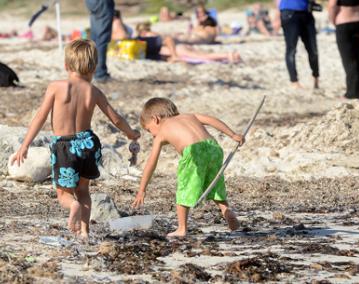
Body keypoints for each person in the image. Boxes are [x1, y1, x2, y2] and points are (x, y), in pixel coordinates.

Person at [11, 39, 140, 240]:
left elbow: (40, 117)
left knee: (65, 194)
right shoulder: (94, 92)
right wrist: (131, 134)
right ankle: (85, 231)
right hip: (88, 143)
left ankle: (73, 206)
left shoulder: (56, 87)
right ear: (94, 67)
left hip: (64, 146)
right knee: (83, 190)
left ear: (66, 65)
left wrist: (25, 144)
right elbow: (115, 118)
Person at [132, 98, 243, 238]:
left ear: (155, 119)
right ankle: (227, 211)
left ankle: (182, 228)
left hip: (193, 151)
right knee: (214, 182)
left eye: (149, 130)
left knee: (184, 188)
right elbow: (212, 120)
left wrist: (142, 189)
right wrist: (232, 135)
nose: (152, 134)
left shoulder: (161, 133)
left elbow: (151, 163)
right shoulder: (189, 116)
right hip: (213, 147)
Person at [135, 22, 241, 63]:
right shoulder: (154, 34)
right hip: (180, 47)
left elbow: (168, 39)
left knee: (203, 57)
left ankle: (229, 55)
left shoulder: (148, 36)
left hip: (177, 49)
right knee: (202, 56)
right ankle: (227, 56)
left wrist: (174, 56)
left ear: (142, 32)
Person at [328, 0, 359, 99]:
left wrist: (333, 20)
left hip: (344, 21)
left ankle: (352, 93)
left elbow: (332, 5)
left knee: (349, 60)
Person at [279, 0, 320, 89]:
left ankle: (315, 77)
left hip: (305, 12)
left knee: (313, 50)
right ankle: (294, 81)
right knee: (291, 49)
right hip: (289, 12)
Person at [85, 0, 115, 83]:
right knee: (101, 38)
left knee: (95, 37)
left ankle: (91, 71)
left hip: (93, 2)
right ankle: (100, 74)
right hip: (102, 3)